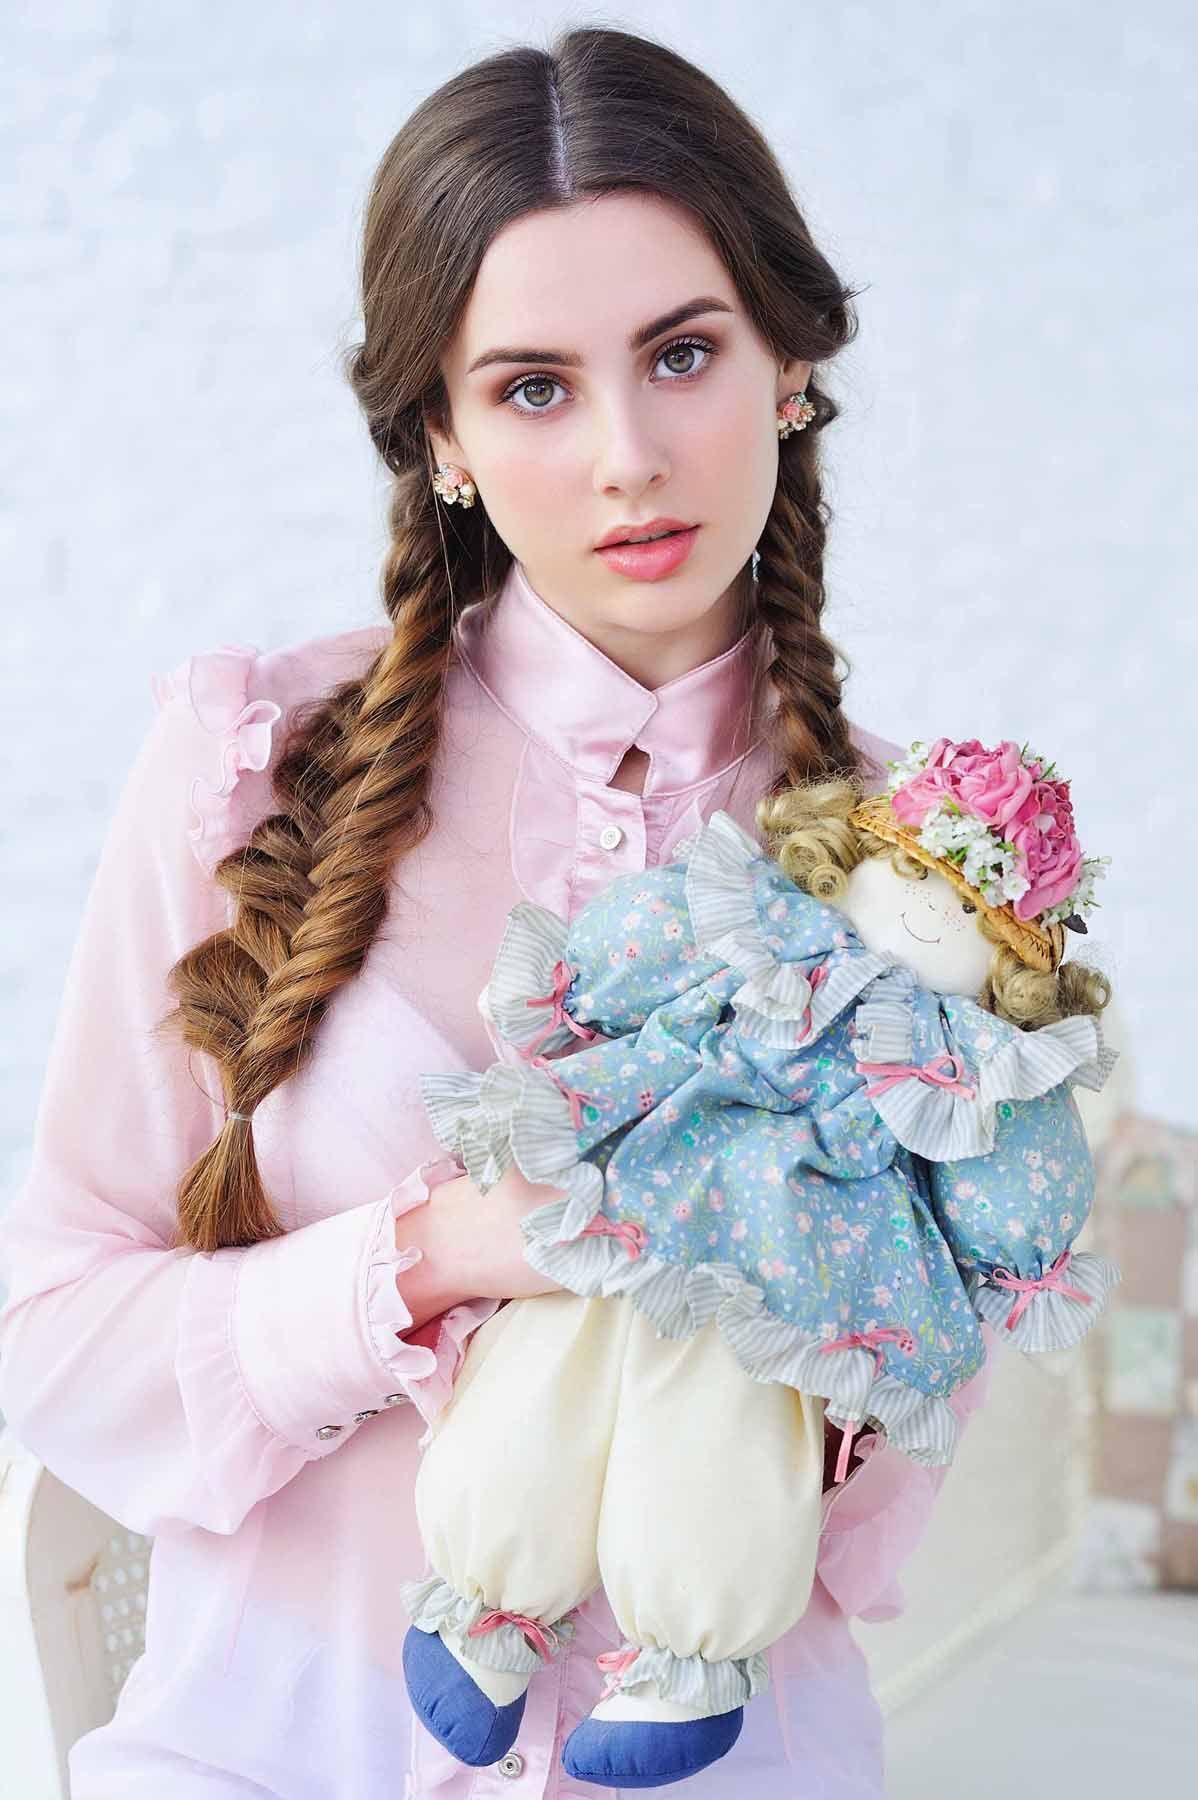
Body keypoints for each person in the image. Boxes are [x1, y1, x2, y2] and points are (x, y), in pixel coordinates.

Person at [0, 24, 1002, 1798]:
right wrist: (438, 1256)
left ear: (785, 368)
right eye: (534, 385)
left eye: (681, 355)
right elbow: (49, 1329)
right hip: (267, 1752)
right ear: (442, 437)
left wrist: (825, 1328)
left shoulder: (934, 879)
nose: (627, 454)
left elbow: (880, 1529)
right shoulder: (250, 763)